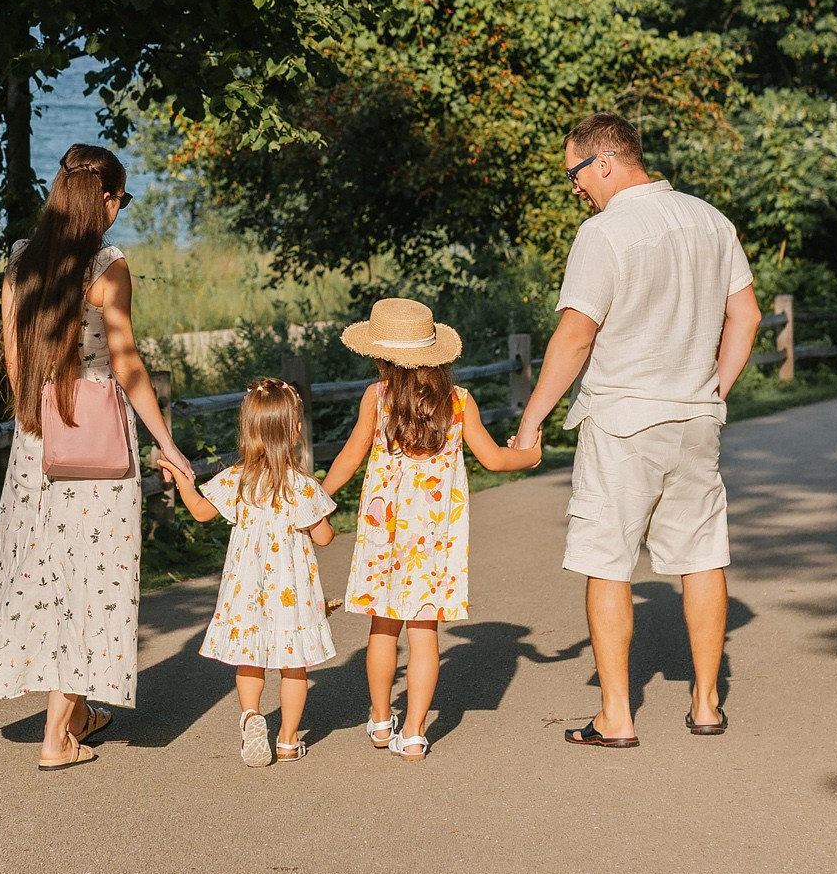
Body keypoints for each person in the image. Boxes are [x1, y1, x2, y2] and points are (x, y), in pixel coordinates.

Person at [510, 112, 762, 748]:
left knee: (608, 561)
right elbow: (748, 316)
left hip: (623, 419)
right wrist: (712, 390)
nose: (574, 188)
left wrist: (532, 417)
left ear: (604, 162)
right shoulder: (712, 220)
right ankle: (706, 705)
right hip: (696, 417)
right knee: (703, 555)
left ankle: (616, 717)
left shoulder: (605, 232)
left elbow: (575, 334)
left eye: (574, 173)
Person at [0, 145, 193, 770]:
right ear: (103, 198)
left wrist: (37, 415)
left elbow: (13, 357)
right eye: (120, 198)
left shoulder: (21, 263)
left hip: (40, 441)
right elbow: (128, 366)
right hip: (99, 444)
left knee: (48, 575)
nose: (120, 210)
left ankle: (78, 712)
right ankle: (59, 737)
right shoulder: (109, 268)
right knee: (94, 581)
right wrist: (168, 446)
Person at [319, 298, 539, 760]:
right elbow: (496, 459)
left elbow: (350, 457)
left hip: (384, 532)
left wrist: (315, 499)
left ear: (381, 356)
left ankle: (381, 721)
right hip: (436, 537)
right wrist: (531, 454)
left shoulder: (376, 398)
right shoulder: (457, 401)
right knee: (424, 633)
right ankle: (416, 733)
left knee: (383, 626)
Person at [155, 378, 339, 767]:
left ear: (248, 429)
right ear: (296, 430)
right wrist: (321, 521)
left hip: (246, 589)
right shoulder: (303, 487)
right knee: (294, 665)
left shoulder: (237, 478)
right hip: (292, 591)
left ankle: (252, 715)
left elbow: (202, 511)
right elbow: (323, 537)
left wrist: (186, 483)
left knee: (250, 659)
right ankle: (288, 740)